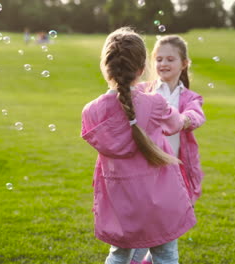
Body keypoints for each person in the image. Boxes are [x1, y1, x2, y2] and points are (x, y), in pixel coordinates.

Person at [80, 27, 196, 264]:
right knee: (165, 255)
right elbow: (175, 123)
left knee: (120, 255)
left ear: (106, 67)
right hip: (160, 198)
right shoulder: (155, 103)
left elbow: (121, 112)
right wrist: (190, 117)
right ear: (143, 68)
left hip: (120, 201)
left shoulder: (91, 110)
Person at [132, 35, 206, 264]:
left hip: (173, 172)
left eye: (170, 59)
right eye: (159, 59)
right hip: (143, 171)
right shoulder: (143, 90)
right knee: (140, 231)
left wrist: (182, 120)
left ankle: (147, 260)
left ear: (184, 63)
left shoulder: (189, 97)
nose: (163, 64)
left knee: (165, 232)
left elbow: (196, 115)